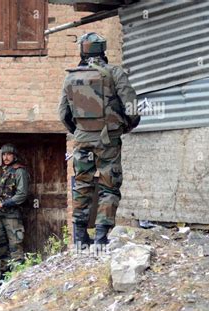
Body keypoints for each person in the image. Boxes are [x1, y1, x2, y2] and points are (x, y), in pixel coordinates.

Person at [58, 32, 140, 248]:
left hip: (82, 139)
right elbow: (131, 106)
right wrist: (126, 126)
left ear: (82, 51)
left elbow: (63, 114)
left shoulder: (71, 76)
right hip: (108, 139)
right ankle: (102, 237)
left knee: (82, 184)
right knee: (109, 185)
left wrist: (80, 132)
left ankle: (80, 237)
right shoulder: (114, 73)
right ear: (103, 50)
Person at [0, 144, 29, 275]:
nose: (5, 157)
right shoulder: (6, 171)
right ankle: (4, 279)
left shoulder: (20, 171)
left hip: (13, 216)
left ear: (14, 155)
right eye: (3, 154)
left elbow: (22, 194)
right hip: (1, 215)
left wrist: (4, 204)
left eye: (8, 154)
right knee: (2, 248)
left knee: (15, 247)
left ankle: (16, 278)